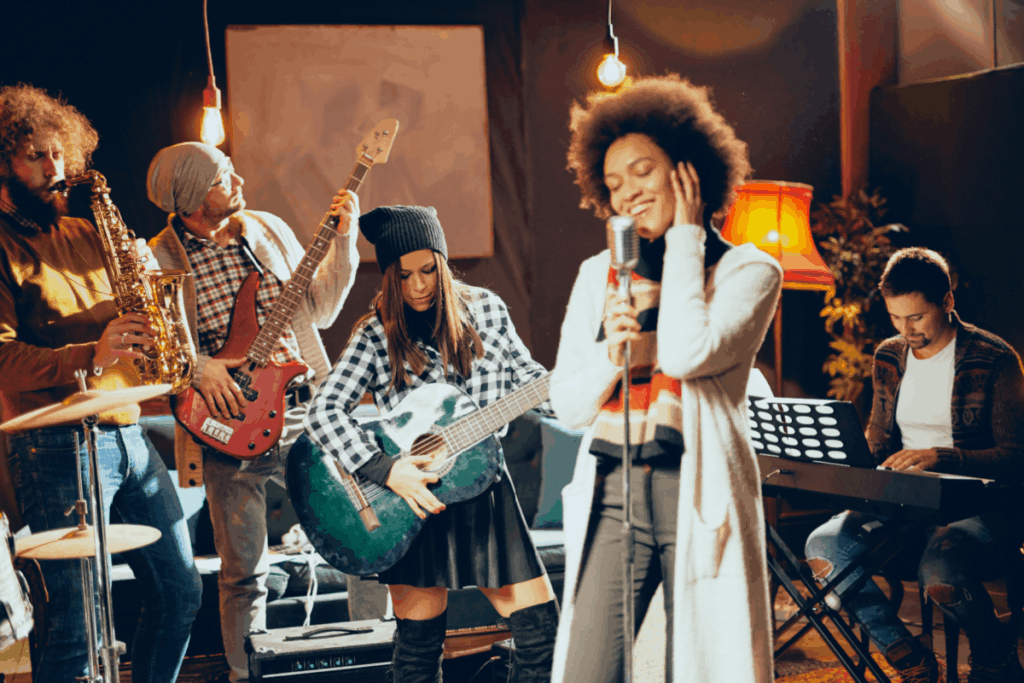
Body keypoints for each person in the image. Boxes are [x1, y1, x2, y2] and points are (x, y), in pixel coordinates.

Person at [548, 74, 782, 683]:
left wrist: (684, 236)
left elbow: (683, 353)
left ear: (687, 168)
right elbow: (568, 404)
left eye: (642, 171)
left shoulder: (749, 271)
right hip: (614, 491)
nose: (627, 193)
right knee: (586, 671)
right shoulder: (598, 273)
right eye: (614, 183)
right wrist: (612, 351)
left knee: (700, 670)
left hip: (699, 491)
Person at [303, 205, 560, 683]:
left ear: (442, 262)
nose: (418, 286)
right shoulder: (375, 333)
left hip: (485, 492)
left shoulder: (486, 309)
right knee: (419, 650)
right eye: (403, 276)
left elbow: (531, 381)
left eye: (427, 270)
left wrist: (583, 388)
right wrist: (384, 469)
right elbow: (322, 413)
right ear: (389, 279)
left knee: (541, 633)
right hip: (412, 502)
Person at [0, 84, 202, 681]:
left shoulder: (87, 234)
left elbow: (137, 322)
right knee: (75, 629)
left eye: (59, 154)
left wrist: (148, 286)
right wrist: (92, 352)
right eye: (34, 156)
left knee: (180, 594)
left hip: (125, 429)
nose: (54, 169)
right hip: (53, 447)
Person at [145, 141, 359, 681]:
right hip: (228, 428)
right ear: (192, 199)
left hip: (307, 413)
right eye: (222, 177)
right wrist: (198, 367)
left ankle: (370, 659)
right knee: (243, 573)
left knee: (360, 540)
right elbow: (158, 353)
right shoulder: (158, 259)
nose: (238, 179)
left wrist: (345, 239)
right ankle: (248, 675)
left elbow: (324, 309)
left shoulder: (267, 229)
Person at [804, 247, 1024, 683]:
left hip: (975, 508)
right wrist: (847, 453)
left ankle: (995, 657)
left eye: (917, 317)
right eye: (895, 318)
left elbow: (1014, 457)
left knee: (939, 570)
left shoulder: (994, 359)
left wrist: (940, 456)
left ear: (947, 301)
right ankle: (910, 659)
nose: (907, 331)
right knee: (824, 548)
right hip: (903, 501)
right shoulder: (889, 356)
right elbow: (878, 434)